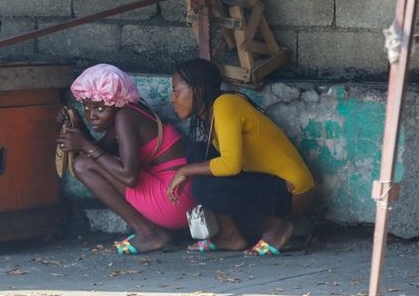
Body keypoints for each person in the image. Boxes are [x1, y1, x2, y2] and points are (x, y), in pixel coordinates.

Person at [166, 58, 316, 256]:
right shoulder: (210, 114)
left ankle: (276, 227)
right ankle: (231, 235)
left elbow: (231, 165)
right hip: (267, 182)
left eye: (177, 91)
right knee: (198, 152)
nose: (172, 98)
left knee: (203, 186)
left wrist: (184, 171)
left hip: (292, 189)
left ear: (199, 88)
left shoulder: (225, 105)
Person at [57, 63, 196, 255]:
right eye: (86, 108)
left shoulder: (125, 116)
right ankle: (153, 232)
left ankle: (148, 233)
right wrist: (79, 127)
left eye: (99, 108)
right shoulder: (127, 111)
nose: (92, 116)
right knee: (89, 161)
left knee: (82, 165)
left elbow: (129, 176)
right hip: (182, 195)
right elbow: (101, 152)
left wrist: (85, 145)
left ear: (116, 103)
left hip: (174, 197)